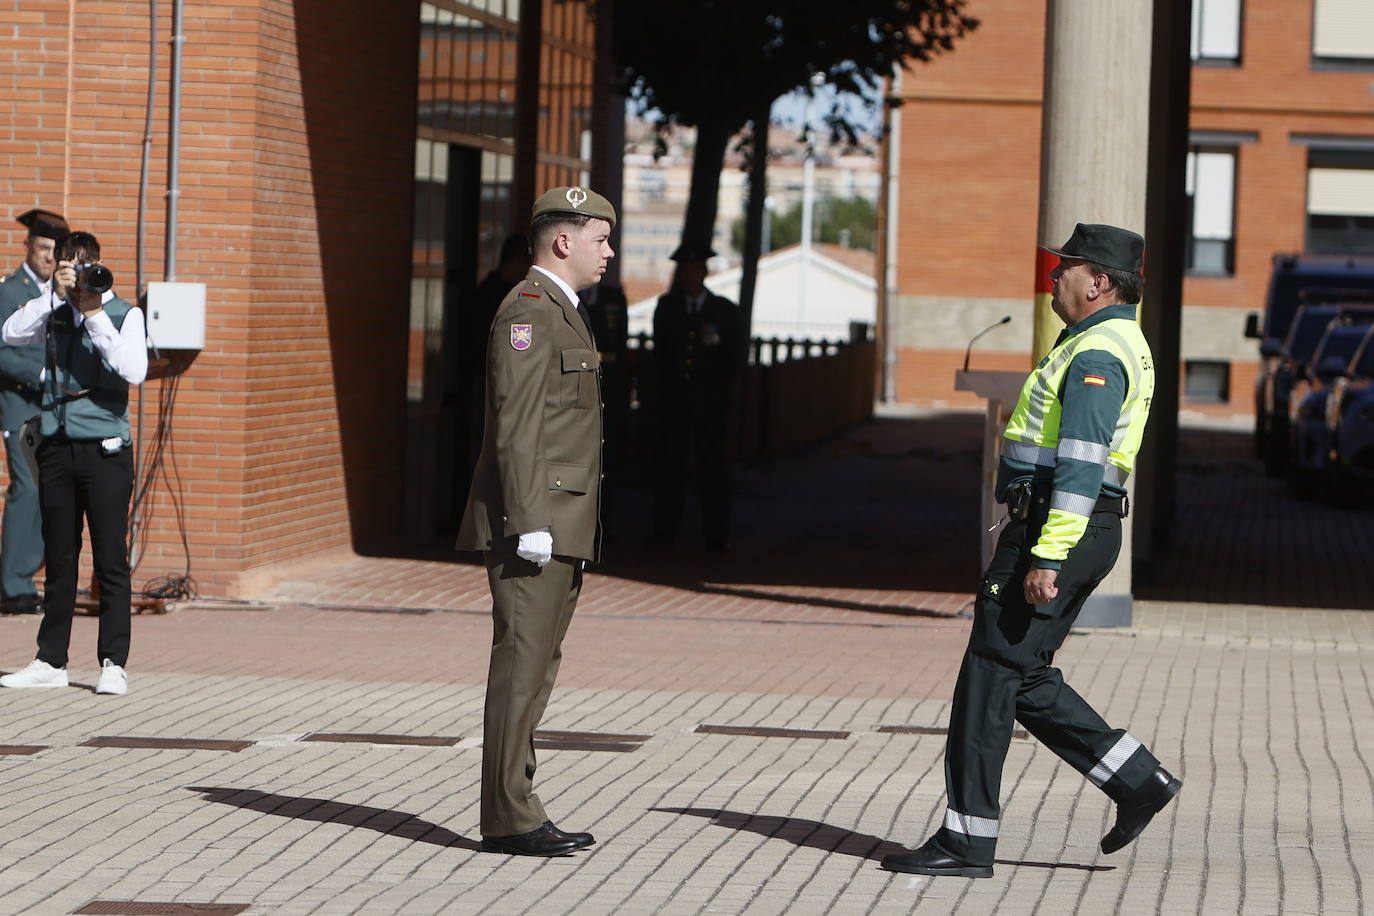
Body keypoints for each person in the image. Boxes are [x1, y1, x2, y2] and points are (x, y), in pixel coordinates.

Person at [881, 224, 1180, 878]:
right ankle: (1137, 779)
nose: (1053, 277)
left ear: (1097, 282)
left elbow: (1081, 463)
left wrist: (1047, 555)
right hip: (1072, 528)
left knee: (990, 674)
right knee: (1021, 673)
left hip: (1057, 528)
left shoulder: (1098, 353)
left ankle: (966, 842)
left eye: (1064, 268)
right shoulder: (1109, 341)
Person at [455, 186, 616, 856]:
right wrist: (528, 520)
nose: (609, 252)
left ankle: (516, 807)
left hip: (559, 517)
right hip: (536, 519)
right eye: (601, 239)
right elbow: (516, 424)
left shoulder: (561, 309)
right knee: (521, 667)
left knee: (537, 666)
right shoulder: (528, 308)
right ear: (563, 240)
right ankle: (510, 817)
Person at [0, 231, 148, 695]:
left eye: (86, 266)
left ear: (99, 265)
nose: (79, 274)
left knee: (110, 559)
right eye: (70, 265)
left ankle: (113, 663)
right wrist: (52, 296)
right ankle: (51, 660)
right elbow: (10, 332)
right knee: (60, 556)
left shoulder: (124, 313)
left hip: (106, 451)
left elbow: (134, 370)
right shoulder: (54, 309)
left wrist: (94, 312)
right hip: (58, 446)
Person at [649, 244, 743, 551]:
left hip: (709, 405)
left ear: (704, 272)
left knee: (712, 468)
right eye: (685, 270)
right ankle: (664, 532)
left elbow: (732, 359)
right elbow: (661, 356)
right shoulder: (668, 307)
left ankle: (716, 535)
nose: (691, 275)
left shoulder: (724, 311)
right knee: (670, 467)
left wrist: (719, 396)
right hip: (674, 404)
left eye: (696, 269)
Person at [0, 209, 68, 614]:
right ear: (27, 246)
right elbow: (3, 353)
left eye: (55, 250)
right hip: (22, 405)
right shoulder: (10, 291)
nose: (49, 257)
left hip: (55, 410)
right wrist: (44, 374)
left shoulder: (61, 291)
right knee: (27, 490)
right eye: (42, 248)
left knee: (48, 491)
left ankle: (23, 578)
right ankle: (13, 587)